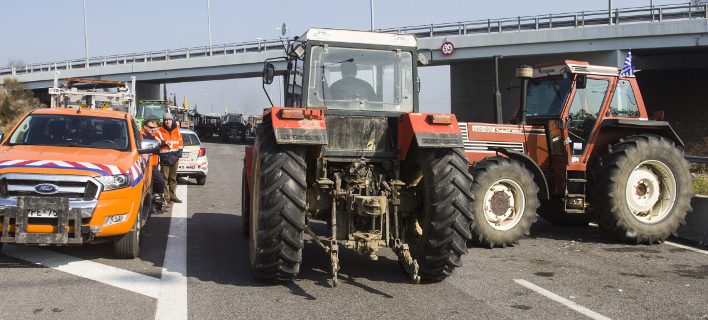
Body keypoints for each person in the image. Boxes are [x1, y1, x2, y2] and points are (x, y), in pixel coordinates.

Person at [141, 120, 169, 212]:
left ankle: (156, 202)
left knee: (154, 183)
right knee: (160, 182)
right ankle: (156, 199)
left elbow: (158, 143)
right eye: (151, 128)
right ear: (145, 127)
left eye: (154, 128)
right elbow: (143, 138)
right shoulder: (141, 134)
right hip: (148, 164)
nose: (153, 129)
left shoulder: (152, 135)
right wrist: (154, 138)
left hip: (154, 163)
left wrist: (164, 143)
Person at [156, 112, 184, 204]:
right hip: (165, 158)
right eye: (166, 120)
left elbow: (180, 143)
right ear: (164, 121)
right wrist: (164, 143)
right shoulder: (159, 131)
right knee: (164, 178)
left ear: (172, 120)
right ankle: (166, 197)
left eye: (169, 120)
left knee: (173, 178)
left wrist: (179, 154)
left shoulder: (177, 130)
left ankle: (173, 196)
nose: (168, 122)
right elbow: (156, 143)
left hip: (174, 157)